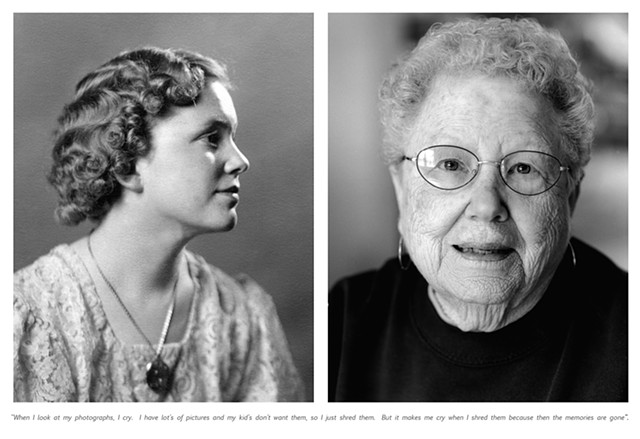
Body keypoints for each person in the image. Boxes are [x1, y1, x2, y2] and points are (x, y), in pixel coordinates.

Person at [329, 17, 627, 402]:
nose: (486, 206)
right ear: (402, 189)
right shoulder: (341, 320)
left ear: (570, 195)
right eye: (451, 165)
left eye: (524, 168)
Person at [14, 47, 303, 402]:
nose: (240, 161)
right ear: (128, 165)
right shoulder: (29, 317)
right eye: (212, 138)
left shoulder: (240, 319)